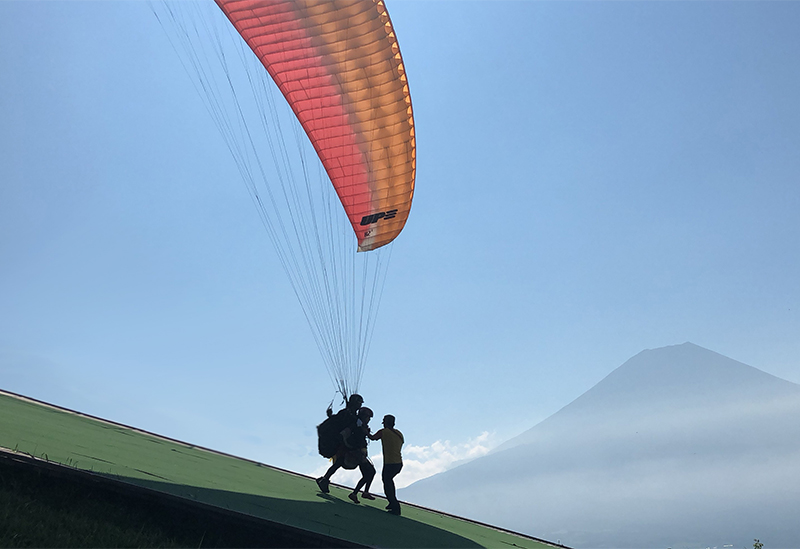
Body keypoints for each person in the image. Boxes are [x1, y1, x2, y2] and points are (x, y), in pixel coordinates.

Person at [316, 393, 363, 494]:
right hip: (342, 441)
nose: (360, 405)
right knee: (340, 462)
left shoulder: (351, 414)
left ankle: (324, 479)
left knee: (339, 462)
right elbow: (338, 423)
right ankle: (324, 480)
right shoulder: (347, 413)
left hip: (345, 441)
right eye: (359, 403)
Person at [369, 414, 404, 515]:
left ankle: (394, 505)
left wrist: (365, 431)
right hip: (398, 463)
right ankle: (391, 502)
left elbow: (372, 438)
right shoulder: (399, 434)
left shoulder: (383, 432)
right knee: (388, 481)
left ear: (385, 423)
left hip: (389, 463)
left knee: (387, 483)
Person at [346, 407, 377, 504]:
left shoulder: (361, 425)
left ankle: (358, 493)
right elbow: (358, 438)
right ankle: (360, 492)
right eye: (368, 417)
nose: (369, 420)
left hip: (360, 452)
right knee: (370, 472)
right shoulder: (358, 426)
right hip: (358, 452)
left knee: (368, 473)